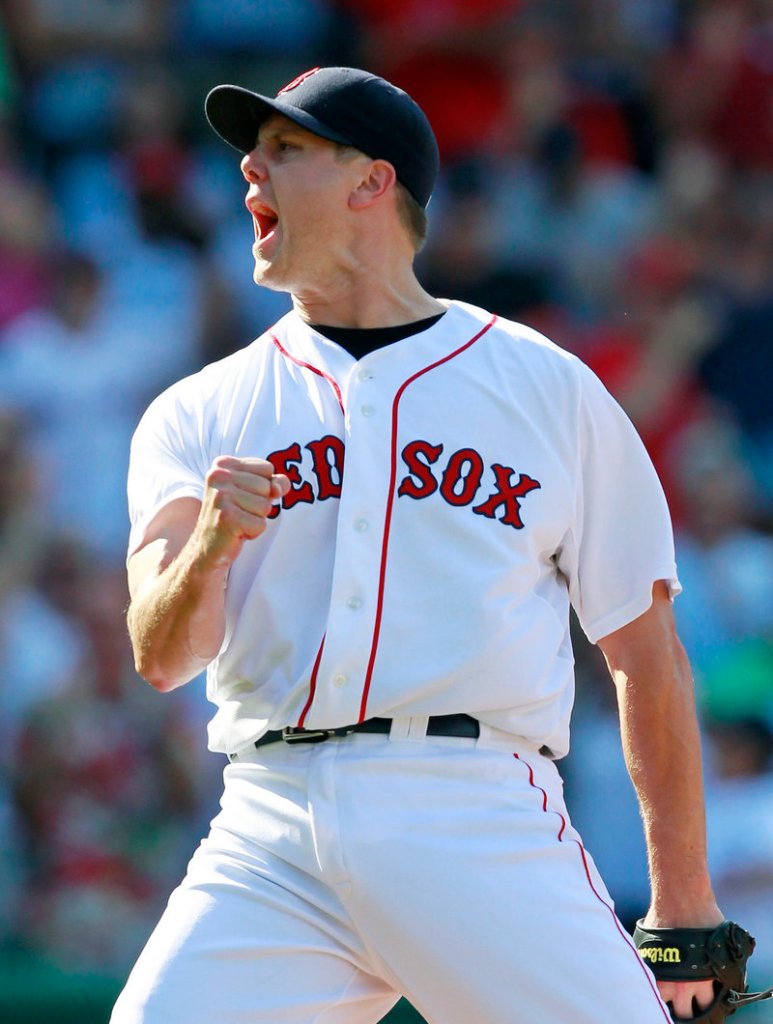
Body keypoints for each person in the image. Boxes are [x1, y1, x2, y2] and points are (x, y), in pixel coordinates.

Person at [111, 67, 724, 1024]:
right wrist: (212, 549)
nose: (247, 171)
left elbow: (642, 652)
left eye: (286, 151)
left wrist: (683, 901)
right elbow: (161, 655)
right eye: (253, 151)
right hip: (271, 830)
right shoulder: (200, 409)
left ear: (370, 183)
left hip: (471, 808)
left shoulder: (544, 388)